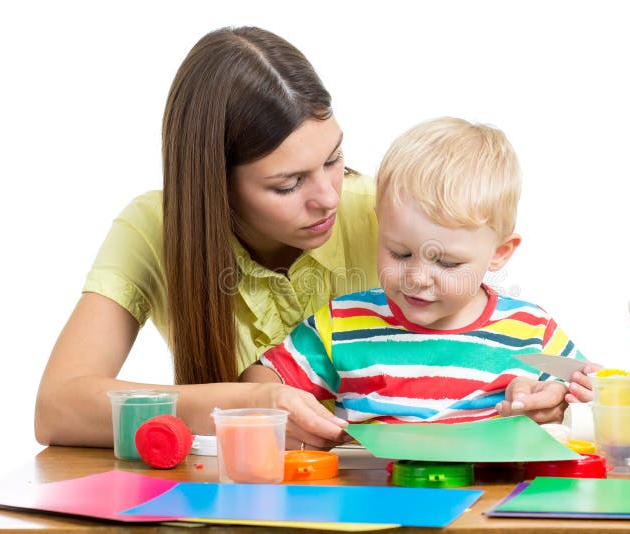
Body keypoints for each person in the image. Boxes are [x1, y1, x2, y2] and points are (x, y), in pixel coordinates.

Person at [34, 26, 379, 451]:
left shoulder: (389, 214)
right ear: (215, 185)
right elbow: (58, 408)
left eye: (333, 159)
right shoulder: (155, 228)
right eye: (288, 184)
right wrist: (247, 404)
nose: (328, 198)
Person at [241, 117, 594, 426]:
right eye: (400, 253)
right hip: (374, 482)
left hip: (491, 482)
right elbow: (260, 379)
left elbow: (590, 391)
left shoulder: (531, 329)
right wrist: (271, 399)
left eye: (447, 263)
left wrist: (562, 398)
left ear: (500, 252)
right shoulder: (343, 323)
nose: (417, 278)